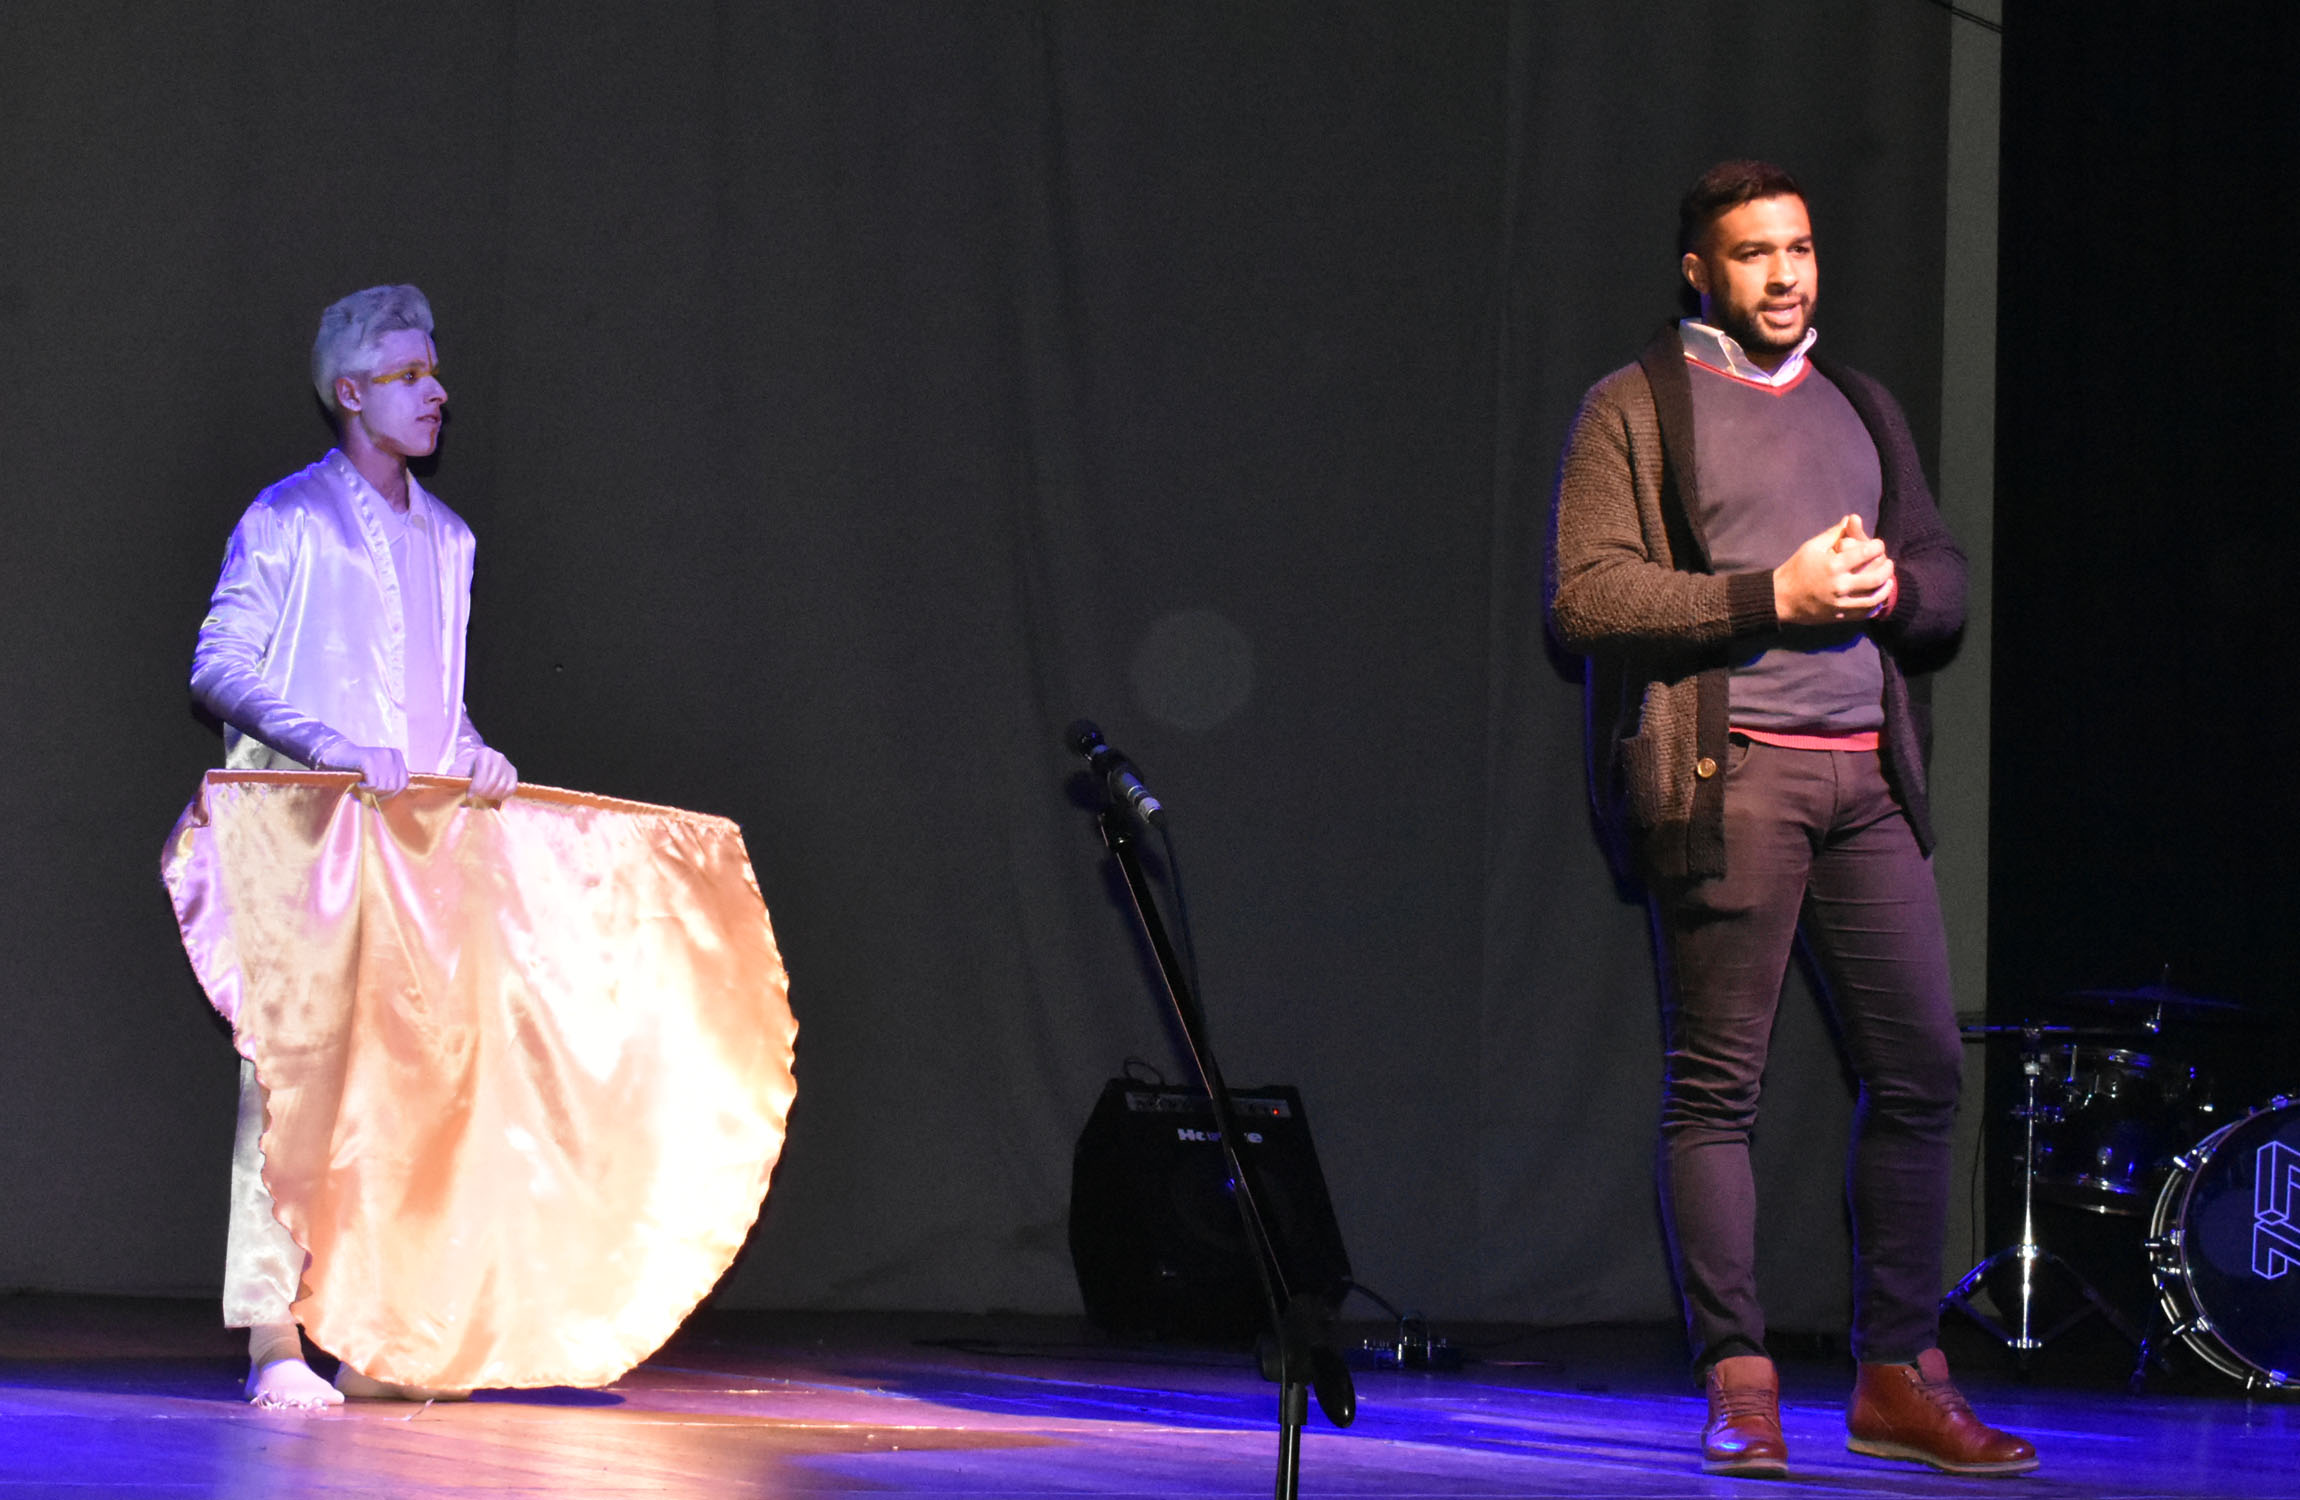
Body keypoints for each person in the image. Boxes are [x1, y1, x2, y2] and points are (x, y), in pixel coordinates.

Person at [1545, 162, 2035, 1478]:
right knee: (1718, 1088)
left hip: (1867, 782)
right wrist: (1774, 595)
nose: (1783, 275)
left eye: (1800, 249)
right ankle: (1740, 1380)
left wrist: (1886, 592)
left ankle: (1895, 1378)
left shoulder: (1857, 403)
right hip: (1733, 777)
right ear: (1698, 271)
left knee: (1922, 1071)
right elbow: (1586, 598)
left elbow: (1943, 581)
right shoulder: (1635, 405)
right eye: (1754, 253)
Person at [190, 284, 518, 1408]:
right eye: (409, 375)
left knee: (408, 1085)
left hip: (414, 856)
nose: (436, 392)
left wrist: (475, 754)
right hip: (305, 841)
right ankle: (274, 1340)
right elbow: (218, 662)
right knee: (290, 1085)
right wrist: (325, 742)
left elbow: (435, 702)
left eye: (435, 372)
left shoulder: (451, 540)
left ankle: (379, 1336)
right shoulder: (286, 519)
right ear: (349, 392)